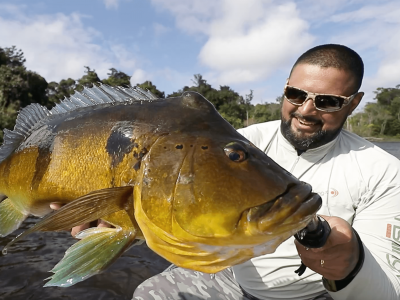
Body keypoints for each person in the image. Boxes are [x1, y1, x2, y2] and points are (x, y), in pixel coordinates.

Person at [54, 44, 400, 299]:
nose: (306, 110)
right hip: (230, 280)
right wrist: (125, 224)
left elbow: (387, 291)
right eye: (295, 94)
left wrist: (351, 265)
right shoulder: (243, 141)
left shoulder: (382, 171)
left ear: (353, 102)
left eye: (327, 101)